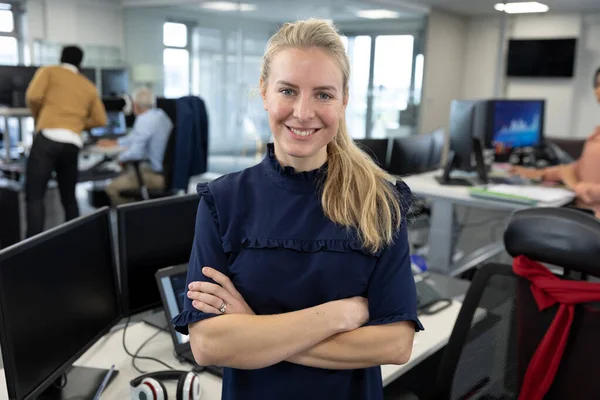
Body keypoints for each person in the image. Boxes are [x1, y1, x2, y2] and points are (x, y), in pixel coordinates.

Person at [171, 19, 422, 400]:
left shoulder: (381, 202)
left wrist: (252, 330)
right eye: (288, 90)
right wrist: (340, 316)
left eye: (323, 94)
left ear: (344, 99)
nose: (303, 113)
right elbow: (208, 345)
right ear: (264, 92)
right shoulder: (223, 201)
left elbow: (394, 345)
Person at [25, 45, 107, 237]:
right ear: (80, 63)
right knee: (69, 198)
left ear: (60, 58)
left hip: (48, 138)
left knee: (35, 196)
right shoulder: (87, 85)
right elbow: (100, 119)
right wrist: (77, 123)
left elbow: (33, 97)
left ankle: (31, 247)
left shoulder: (48, 72)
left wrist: (41, 117)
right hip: (72, 142)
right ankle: (74, 241)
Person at [511, 67, 600, 216]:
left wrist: (577, 186)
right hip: (583, 215)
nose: (598, 91)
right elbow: (577, 169)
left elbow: (575, 178)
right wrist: (537, 173)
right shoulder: (596, 135)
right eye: (597, 85)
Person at [98, 87, 172, 205]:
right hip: (168, 174)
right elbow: (135, 137)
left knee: (112, 187)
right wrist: (116, 142)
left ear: (135, 104)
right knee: (128, 171)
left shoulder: (143, 120)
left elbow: (135, 153)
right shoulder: (161, 115)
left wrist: (118, 159)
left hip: (155, 176)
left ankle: (130, 220)